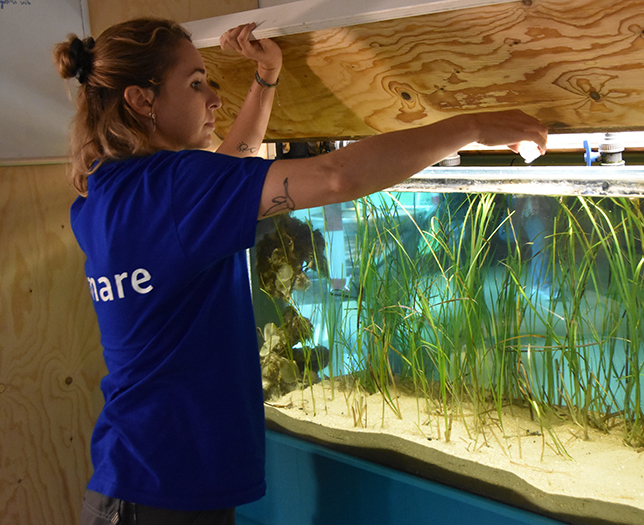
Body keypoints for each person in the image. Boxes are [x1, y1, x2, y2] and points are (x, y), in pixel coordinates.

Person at [55, 17, 547, 525]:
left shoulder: (106, 193)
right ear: (141, 100)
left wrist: (266, 78)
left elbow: (229, 169)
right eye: (196, 83)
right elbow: (335, 177)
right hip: (164, 492)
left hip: (135, 476)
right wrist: (472, 127)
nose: (214, 100)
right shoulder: (178, 187)